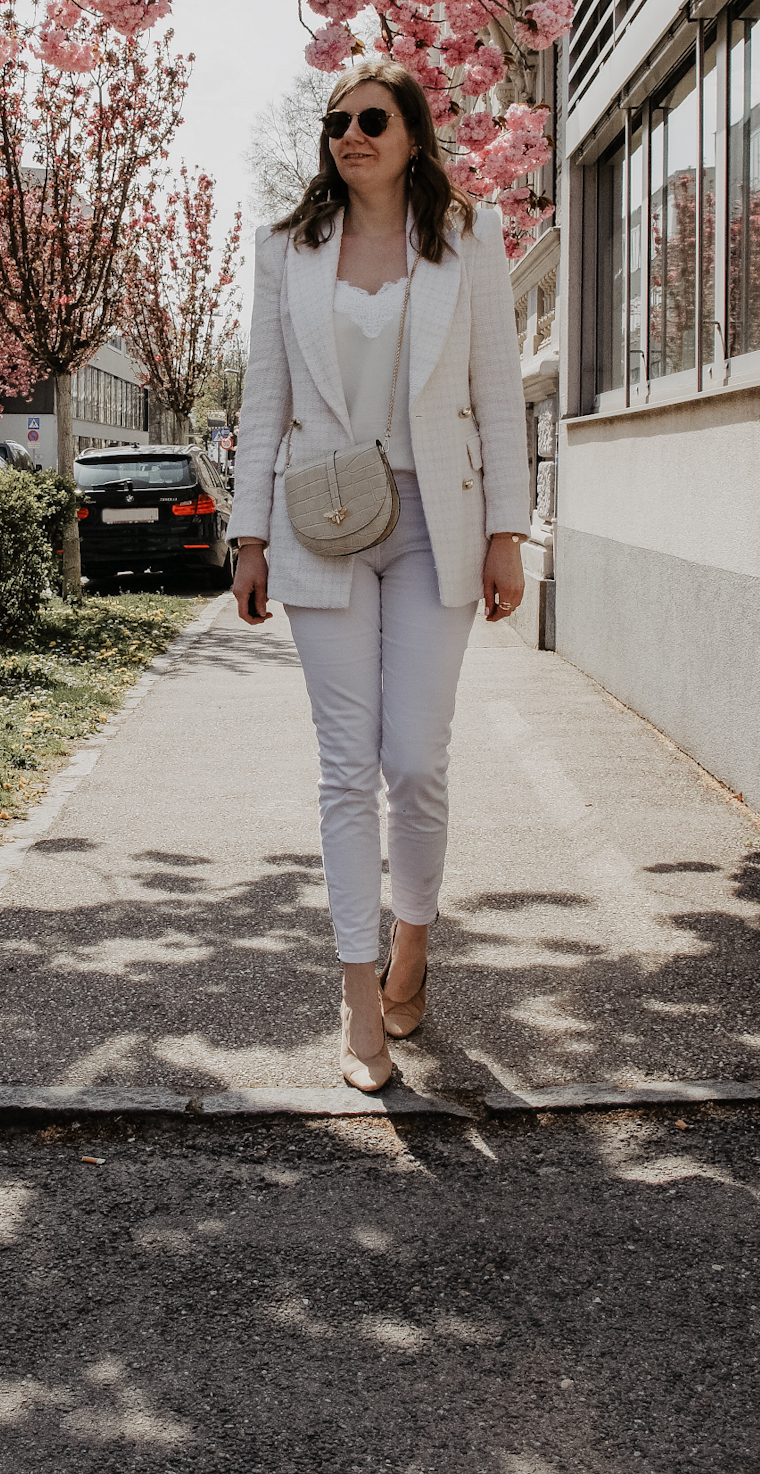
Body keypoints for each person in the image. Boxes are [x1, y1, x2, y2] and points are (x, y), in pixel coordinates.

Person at [227, 59, 530, 1091]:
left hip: (436, 521)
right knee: (344, 764)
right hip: (321, 518)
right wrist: (248, 534)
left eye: (370, 119)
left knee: (414, 755)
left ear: (410, 135)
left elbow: (498, 392)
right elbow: (262, 397)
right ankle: (357, 996)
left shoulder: (467, 237)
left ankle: (413, 938)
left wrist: (506, 531)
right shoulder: (285, 251)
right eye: (335, 122)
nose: (349, 134)